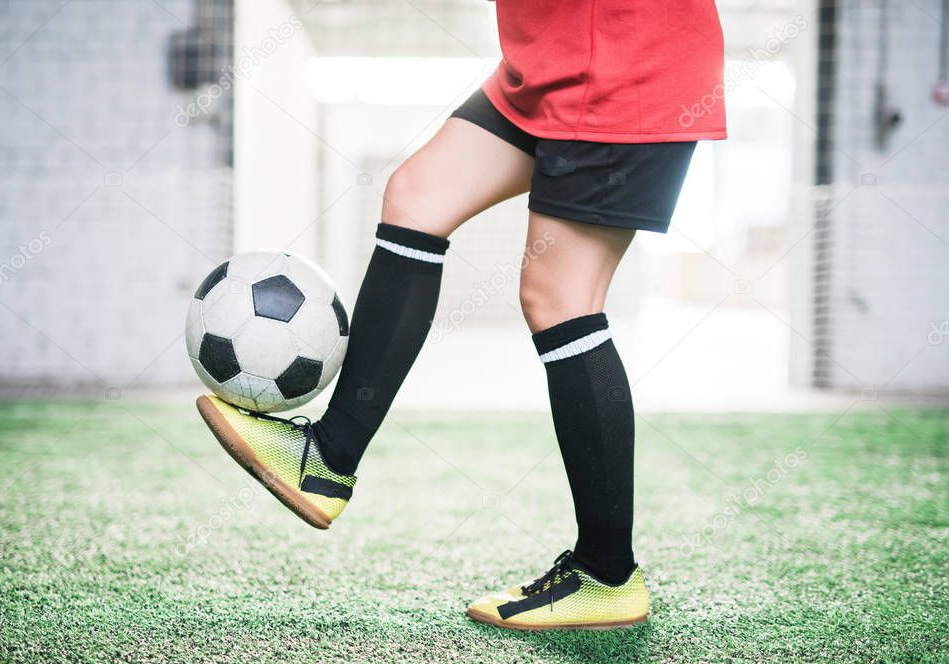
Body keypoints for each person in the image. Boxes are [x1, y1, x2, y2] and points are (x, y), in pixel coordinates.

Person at [196, 0, 726, 630]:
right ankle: (327, 461)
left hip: (619, 62)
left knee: (560, 299)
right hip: (547, 65)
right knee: (418, 196)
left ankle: (607, 571)